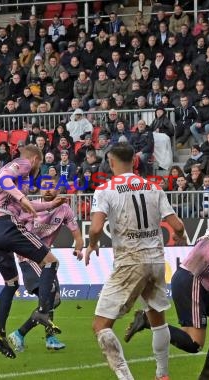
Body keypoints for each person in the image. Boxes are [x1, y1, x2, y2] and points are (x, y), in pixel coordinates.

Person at [125, 184, 209, 380]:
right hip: (194, 280)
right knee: (194, 344)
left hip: (193, 277)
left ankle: (208, 373)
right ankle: (148, 321)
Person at [84, 143, 186, 380]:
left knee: (101, 326)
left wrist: (91, 245)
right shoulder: (153, 187)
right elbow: (178, 226)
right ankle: (162, 375)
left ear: (110, 161)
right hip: (156, 260)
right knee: (157, 319)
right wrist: (180, 236)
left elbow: (97, 227)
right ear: (134, 161)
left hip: (130, 260)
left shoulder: (105, 190)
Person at [0, 144, 67, 359]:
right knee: (51, 262)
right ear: (37, 159)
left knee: (11, 284)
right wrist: (21, 198)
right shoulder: (24, 164)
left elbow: (25, 205)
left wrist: (49, 205)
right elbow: (3, 178)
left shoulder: (19, 184)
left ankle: (0, 333)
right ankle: (42, 311)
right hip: (6, 225)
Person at [7, 176, 84, 352]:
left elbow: (78, 236)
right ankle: (24, 334)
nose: (48, 190)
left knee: (54, 299)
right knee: (49, 294)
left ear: (58, 189)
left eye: (52, 186)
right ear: (39, 189)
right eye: (45, 186)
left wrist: (79, 249)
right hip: (28, 257)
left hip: (46, 259)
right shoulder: (30, 206)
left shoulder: (64, 209)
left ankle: (42, 337)